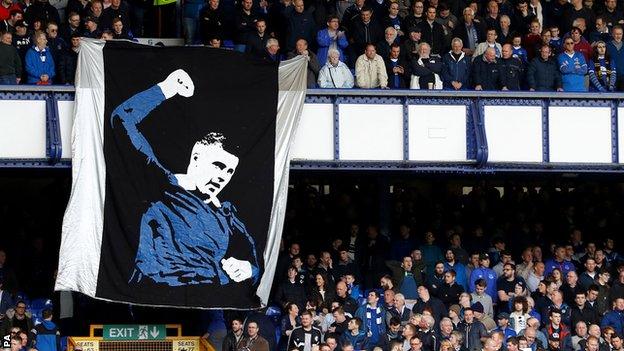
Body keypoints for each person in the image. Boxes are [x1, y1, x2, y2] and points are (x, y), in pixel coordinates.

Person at [113, 70, 260, 287]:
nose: (222, 177)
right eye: (218, 166)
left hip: (206, 305)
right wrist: (166, 88)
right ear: (197, 157)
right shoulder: (158, 185)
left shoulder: (227, 216)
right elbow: (122, 120)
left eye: (229, 172)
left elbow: (256, 263)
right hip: (154, 301)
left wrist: (248, 268)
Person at [607, 25, 624, 90]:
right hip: (612, 77)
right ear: (612, 34)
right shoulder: (607, 46)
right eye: (616, 34)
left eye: (620, 34)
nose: (618, 36)